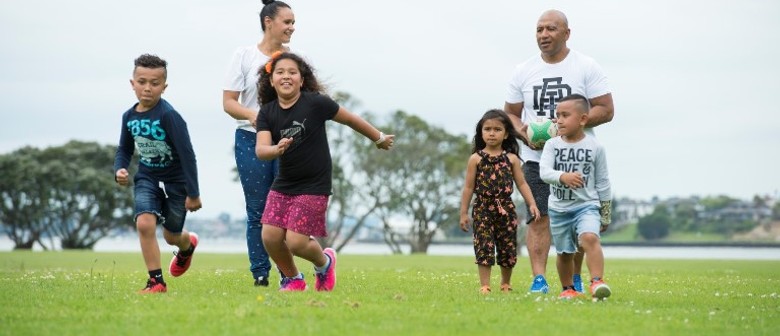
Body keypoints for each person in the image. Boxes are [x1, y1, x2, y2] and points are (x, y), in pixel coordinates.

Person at [255, 52, 394, 291]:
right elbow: (261, 150)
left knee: (296, 242)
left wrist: (378, 137)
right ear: (271, 80)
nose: (286, 76)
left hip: (314, 184)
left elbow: (350, 119)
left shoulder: (316, 103)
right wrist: (275, 150)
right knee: (270, 236)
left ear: (301, 79)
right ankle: (294, 280)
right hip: (285, 183)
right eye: (280, 72)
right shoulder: (267, 112)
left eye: (292, 72)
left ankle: (324, 263)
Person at [504, 9, 615, 294]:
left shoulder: (586, 66)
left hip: (577, 157)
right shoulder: (523, 70)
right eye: (539, 30)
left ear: (567, 33)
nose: (544, 35)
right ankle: (539, 280)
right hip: (535, 158)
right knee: (539, 216)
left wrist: (564, 128)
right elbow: (511, 115)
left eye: (551, 29)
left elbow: (606, 109)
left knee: (577, 217)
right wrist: (526, 133)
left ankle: (575, 278)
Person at [114, 54, 203, 294]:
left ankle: (187, 245)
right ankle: (156, 282)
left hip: (177, 182)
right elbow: (124, 149)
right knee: (144, 223)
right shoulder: (128, 117)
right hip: (147, 177)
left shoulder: (169, 116)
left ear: (164, 86)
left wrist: (193, 194)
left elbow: (187, 155)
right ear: (132, 83)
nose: (147, 88)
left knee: (171, 236)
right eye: (142, 82)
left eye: (154, 83)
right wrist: (119, 169)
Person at [222, 0, 295, 287]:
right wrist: (255, 116)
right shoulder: (244, 56)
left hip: (289, 141)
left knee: (285, 209)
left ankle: (288, 274)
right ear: (269, 22)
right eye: (286, 22)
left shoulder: (295, 59)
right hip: (249, 140)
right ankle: (260, 274)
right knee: (258, 210)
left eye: (293, 23)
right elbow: (229, 102)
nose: (291, 28)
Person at [539, 94, 612, 299]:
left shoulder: (596, 147)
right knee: (565, 253)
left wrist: (605, 213)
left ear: (582, 119)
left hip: (586, 205)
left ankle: (597, 282)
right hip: (559, 209)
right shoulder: (552, 145)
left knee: (590, 238)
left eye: (565, 115)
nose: (559, 120)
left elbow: (603, 182)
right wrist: (563, 176)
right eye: (557, 115)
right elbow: (544, 172)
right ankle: (568, 289)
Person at [459, 109, 540, 294]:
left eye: (497, 129)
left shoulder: (511, 159)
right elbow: (468, 188)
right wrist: (463, 213)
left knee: (507, 246)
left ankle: (505, 283)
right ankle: (485, 285)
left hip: (506, 208)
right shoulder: (476, 159)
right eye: (487, 129)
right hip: (482, 208)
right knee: (484, 245)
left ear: (506, 134)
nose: (492, 133)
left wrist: (532, 203)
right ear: (481, 132)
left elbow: (521, 183)